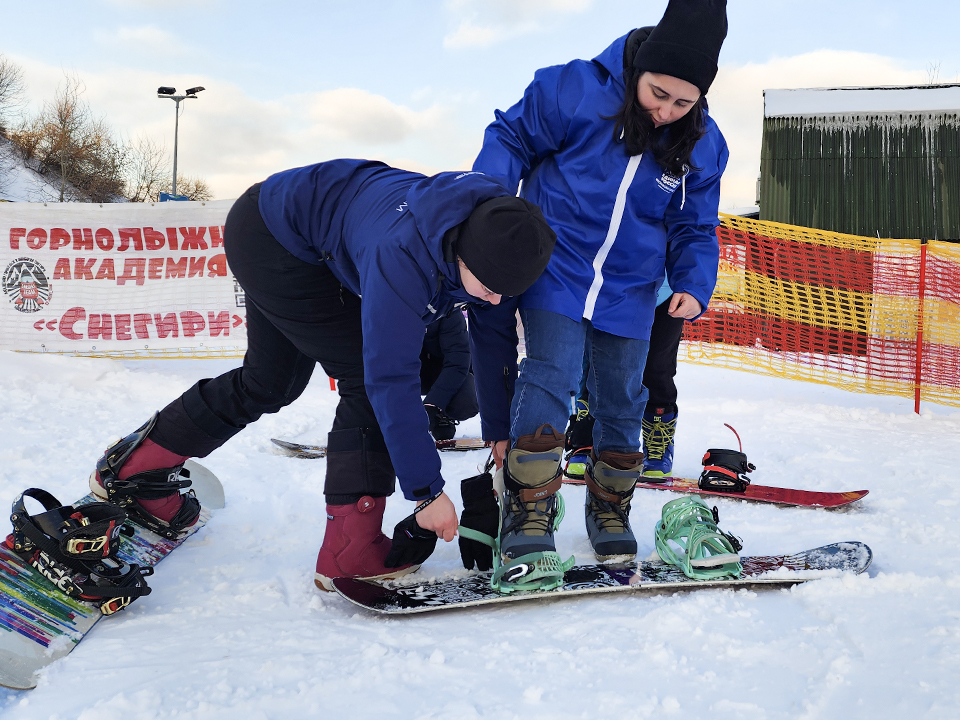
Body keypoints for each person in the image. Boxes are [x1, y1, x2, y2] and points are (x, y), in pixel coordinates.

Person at [89, 159, 556, 590]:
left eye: (507, 293)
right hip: (275, 237)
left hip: (312, 232)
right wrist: (427, 492)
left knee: (271, 381)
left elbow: (493, 344)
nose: (496, 301)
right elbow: (388, 378)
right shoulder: (403, 255)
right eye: (490, 290)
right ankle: (350, 551)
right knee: (364, 378)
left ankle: (140, 466)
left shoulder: (500, 243)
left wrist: (499, 433)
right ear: (463, 255)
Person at [461, 0, 729, 569]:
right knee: (551, 374)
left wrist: (692, 280)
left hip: (631, 285)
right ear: (641, 69)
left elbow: (694, 225)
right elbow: (508, 137)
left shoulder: (703, 143)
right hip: (556, 264)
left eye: (685, 102)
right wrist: (491, 213)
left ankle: (610, 508)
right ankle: (529, 508)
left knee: (623, 396)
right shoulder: (576, 89)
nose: (666, 112)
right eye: (658, 94)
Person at [565, 274, 686, 478]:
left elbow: (693, 242)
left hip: (666, 291)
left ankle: (657, 443)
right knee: (597, 361)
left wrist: (692, 284)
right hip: (608, 287)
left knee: (657, 367)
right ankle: (587, 434)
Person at [420, 309, 479, 442]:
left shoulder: (448, 309)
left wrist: (433, 404)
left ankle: (442, 414)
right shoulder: (396, 307)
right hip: (412, 370)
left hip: (448, 370)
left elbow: (458, 361)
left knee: (465, 403)